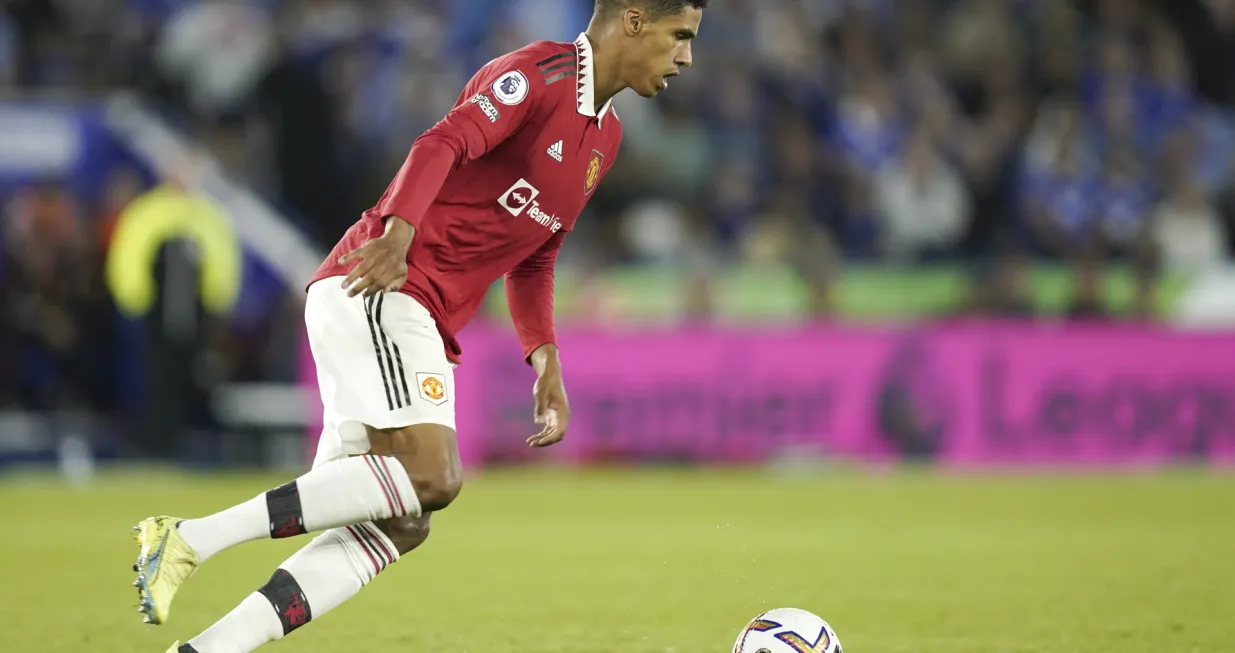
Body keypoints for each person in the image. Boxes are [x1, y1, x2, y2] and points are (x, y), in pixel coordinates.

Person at [130, 1, 706, 652]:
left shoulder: (605, 139)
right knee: (433, 477)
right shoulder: (536, 76)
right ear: (633, 22)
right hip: (382, 284)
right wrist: (399, 230)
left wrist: (544, 357)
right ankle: (187, 538)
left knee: (402, 521)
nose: (686, 57)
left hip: (411, 310)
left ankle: (204, 649)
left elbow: (536, 252)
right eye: (679, 36)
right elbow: (442, 141)